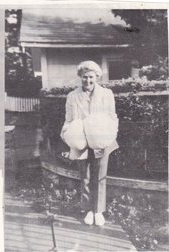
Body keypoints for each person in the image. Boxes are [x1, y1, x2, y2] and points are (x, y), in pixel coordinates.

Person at [60, 61, 119, 226]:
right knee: (85, 175)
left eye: (91, 77)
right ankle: (88, 210)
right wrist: (68, 135)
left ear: (97, 77)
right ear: (80, 77)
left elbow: (112, 117)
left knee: (100, 175)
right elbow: (69, 120)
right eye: (84, 77)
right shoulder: (73, 96)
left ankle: (98, 211)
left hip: (101, 137)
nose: (88, 80)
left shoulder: (107, 94)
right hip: (81, 138)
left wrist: (109, 134)